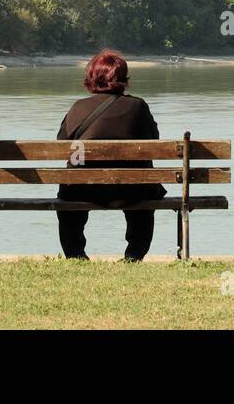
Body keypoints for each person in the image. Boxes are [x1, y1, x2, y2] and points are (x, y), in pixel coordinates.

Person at [56, 49, 165, 261]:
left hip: (80, 190)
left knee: (69, 191)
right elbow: (154, 141)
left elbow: (62, 143)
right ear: (122, 78)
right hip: (132, 190)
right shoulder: (138, 106)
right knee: (143, 190)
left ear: (91, 77)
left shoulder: (78, 107)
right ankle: (134, 254)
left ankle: (75, 254)